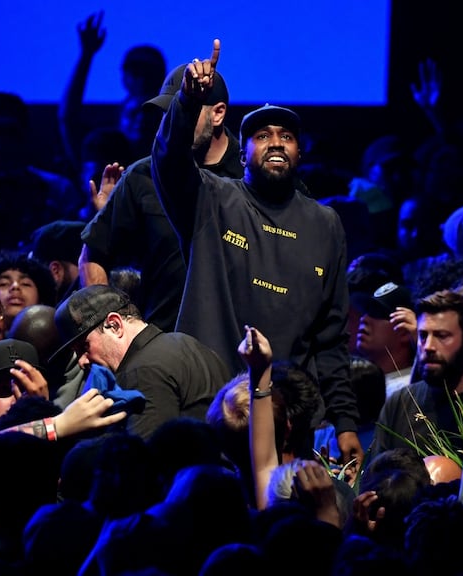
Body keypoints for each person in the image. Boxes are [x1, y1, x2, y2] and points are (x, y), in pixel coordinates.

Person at [150, 41, 363, 467]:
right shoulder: (211, 198)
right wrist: (188, 101)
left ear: (300, 152)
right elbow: (168, 161)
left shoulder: (326, 224)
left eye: (287, 136)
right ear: (242, 154)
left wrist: (345, 423)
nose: (276, 143)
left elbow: (331, 336)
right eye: (262, 136)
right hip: (210, 403)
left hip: (289, 417)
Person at [80, 61, 242, 332]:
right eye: (167, 114)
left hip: (238, 343)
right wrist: (107, 329)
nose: (173, 123)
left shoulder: (250, 176)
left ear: (217, 114)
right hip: (160, 338)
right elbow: (92, 255)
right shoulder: (142, 176)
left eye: (184, 111)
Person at [51, 284, 229, 440]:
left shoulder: (140, 372)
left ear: (114, 325)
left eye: (84, 346)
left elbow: (145, 459)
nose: (82, 362)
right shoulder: (187, 342)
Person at [371, 290, 463, 462]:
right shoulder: (400, 402)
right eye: (423, 335)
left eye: (442, 336)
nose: (428, 346)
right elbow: (377, 473)